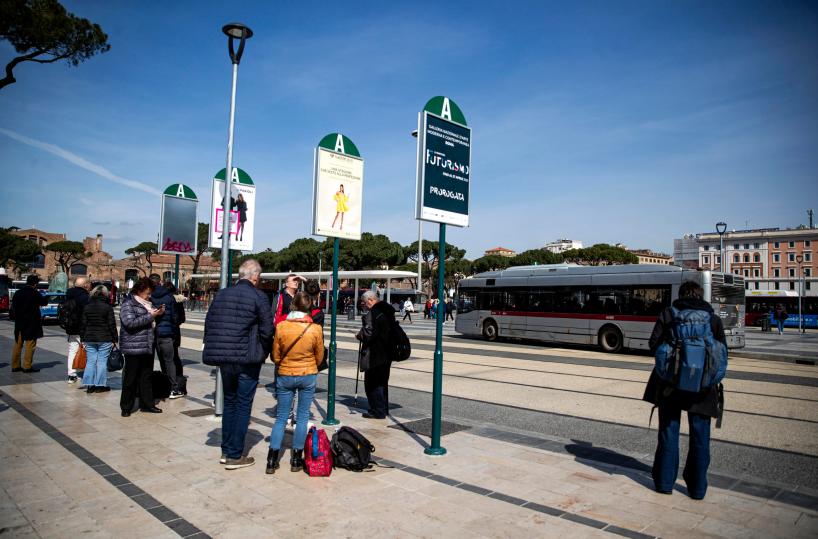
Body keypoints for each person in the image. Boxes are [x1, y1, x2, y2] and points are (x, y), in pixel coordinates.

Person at [644, 281, 726, 500]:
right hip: (703, 388)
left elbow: (653, 344)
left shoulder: (669, 314)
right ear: (701, 296)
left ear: (680, 295)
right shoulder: (713, 318)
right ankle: (697, 489)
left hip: (670, 386)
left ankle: (664, 483)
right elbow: (722, 353)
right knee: (700, 438)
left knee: (668, 434)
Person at [203, 259, 273, 470]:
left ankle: (226, 450)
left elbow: (210, 322)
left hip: (225, 359)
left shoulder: (221, 294)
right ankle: (235, 455)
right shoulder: (258, 296)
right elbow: (267, 329)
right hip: (247, 357)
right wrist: (264, 351)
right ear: (254, 277)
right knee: (243, 404)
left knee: (230, 401)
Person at [266, 292, 324, 474]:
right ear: (309, 308)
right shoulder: (315, 329)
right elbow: (320, 356)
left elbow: (275, 355)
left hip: (285, 373)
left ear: (293, 306)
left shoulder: (282, 327)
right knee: (303, 416)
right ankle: (297, 459)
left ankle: (272, 459)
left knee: (281, 417)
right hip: (308, 374)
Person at [120, 278, 164, 416]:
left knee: (146, 376)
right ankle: (126, 406)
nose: (149, 296)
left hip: (146, 345)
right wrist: (151, 316)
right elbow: (129, 323)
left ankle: (147, 404)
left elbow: (149, 320)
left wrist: (158, 314)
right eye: (147, 293)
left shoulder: (148, 304)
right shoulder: (129, 304)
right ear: (139, 291)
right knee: (131, 377)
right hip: (133, 346)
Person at [356, 291, 395, 419]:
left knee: (372, 383)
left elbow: (368, 334)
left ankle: (377, 410)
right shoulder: (388, 312)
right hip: (387, 352)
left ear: (371, 300)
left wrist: (359, 335)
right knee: (383, 382)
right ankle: (383, 408)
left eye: (364, 302)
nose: (364, 305)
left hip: (375, 354)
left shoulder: (373, 314)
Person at [80, 285, 118, 393]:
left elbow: (83, 324)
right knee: (102, 361)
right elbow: (111, 324)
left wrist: (82, 338)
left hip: (89, 337)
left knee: (91, 361)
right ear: (105, 294)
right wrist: (115, 339)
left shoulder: (87, 306)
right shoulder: (107, 307)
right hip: (104, 337)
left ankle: (89, 384)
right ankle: (100, 385)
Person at [150, 276, 181, 398]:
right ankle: (172, 388)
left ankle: (154, 387)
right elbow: (174, 317)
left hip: (151, 333)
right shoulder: (169, 297)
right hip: (166, 333)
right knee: (169, 361)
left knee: (149, 362)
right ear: (160, 282)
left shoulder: (148, 296)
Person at [10, 274, 48, 373]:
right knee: (30, 345)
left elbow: (13, 307)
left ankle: (15, 365)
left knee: (18, 344)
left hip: (19, 323)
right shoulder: (35, 293)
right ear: (35, 284)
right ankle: (27, 366)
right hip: (31, 323)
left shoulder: (18, 292)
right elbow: (44, 302)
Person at [64, 276, 91, 383]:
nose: (90, 285)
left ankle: (71, 375)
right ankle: (89, 375)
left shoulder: (69, 294)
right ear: (85, 285)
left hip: (70, 327)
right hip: (82, 328)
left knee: (72, 350)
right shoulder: (85, 297)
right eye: (88, 283)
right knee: (89, 351)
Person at [170, 283, 187, 394]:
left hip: (168, 333)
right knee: (175, 358)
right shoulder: (178, 302)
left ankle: (173, 384)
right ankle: (179, 383)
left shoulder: (164, 301)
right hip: (175, 332)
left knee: (169, 359)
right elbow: (182, 318)